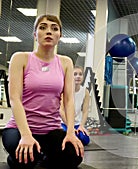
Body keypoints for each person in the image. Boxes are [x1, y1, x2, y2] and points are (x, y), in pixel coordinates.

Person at [1, 14, 84, 169]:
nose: (49, 32)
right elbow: (15, 99)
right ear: (35, 34)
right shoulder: (20, 58)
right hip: (19, 129)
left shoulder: (66, 62)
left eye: (54, 29)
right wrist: (26, 135)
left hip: (50, 130)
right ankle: (20, 157)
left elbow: (68, 100)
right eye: (43, 27)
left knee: (74, 156)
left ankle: (44, 154)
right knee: (26, 159)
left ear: (60, 36)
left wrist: (70, 132)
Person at [60, 65, 91, 146]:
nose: (78, 76)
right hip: (64, 123)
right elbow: (61, 111)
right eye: (75, 74)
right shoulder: (64, 91)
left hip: (77, 123)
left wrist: (81, 126)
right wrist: (70, 127)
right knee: (65, 137)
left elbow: (85, 110)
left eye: (80, 74)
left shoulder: (85, 92)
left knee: (85, 139)